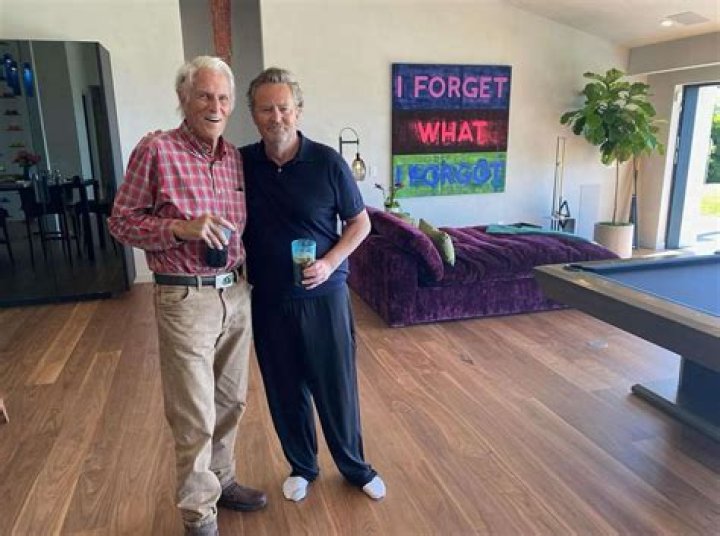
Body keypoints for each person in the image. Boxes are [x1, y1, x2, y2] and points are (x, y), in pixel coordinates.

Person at [108, 56, 266, 536]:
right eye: (203, 96)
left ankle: (223, 479)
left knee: (231, 401)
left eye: (222, 98)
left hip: (235, 293)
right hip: (184, 297)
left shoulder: (235, 157)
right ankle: (199, 515)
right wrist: (179, 228)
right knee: (194, 413)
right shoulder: (156, 149)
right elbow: (121, 222)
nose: (214, 106)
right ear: (183, 98)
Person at [240, 67, 386, 503]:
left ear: (298, 111)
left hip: (325, 296)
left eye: (284, 108)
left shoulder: (328, 163)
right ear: (253, 114)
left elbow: (360, 223)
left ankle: (355, 468)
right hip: (269, 297)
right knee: (284, 388)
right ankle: (302, 466)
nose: (276, 117)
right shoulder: (240, 164)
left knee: (335, 386)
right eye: (266, 109)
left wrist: (330, 262)